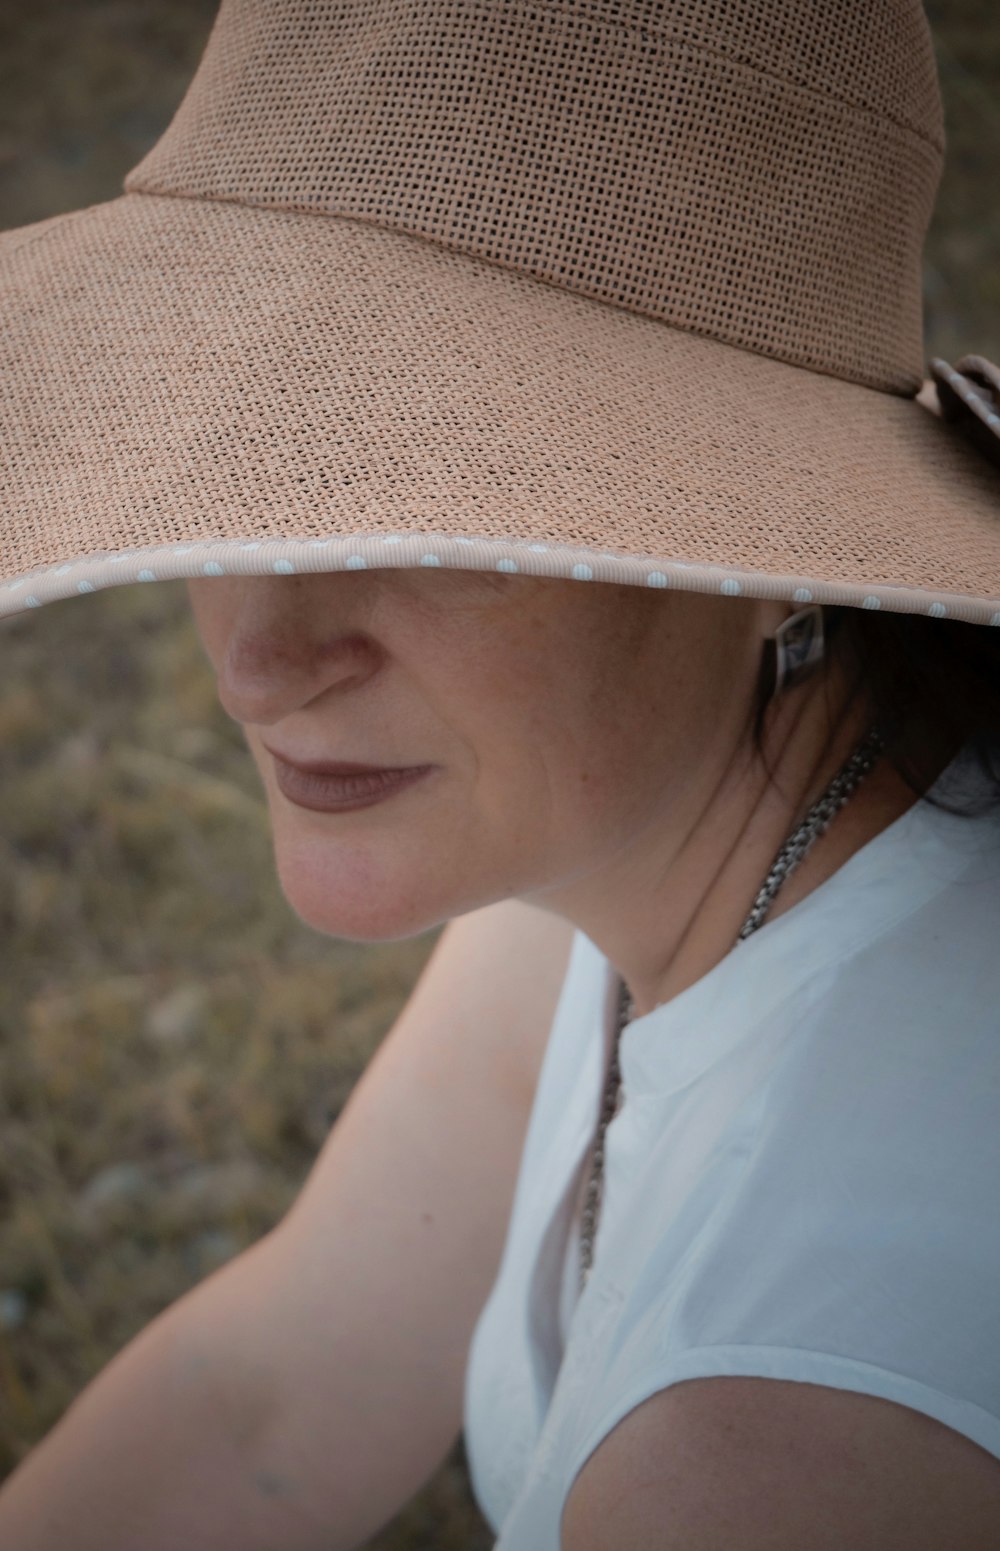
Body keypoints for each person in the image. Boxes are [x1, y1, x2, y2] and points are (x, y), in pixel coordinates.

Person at [1, 1, 1000, 1547]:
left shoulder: (777, 1456)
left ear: (772, 544)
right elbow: (269, 1393)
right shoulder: (653, 829)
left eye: (425, 512)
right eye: (242, 468)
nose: (257, 662)